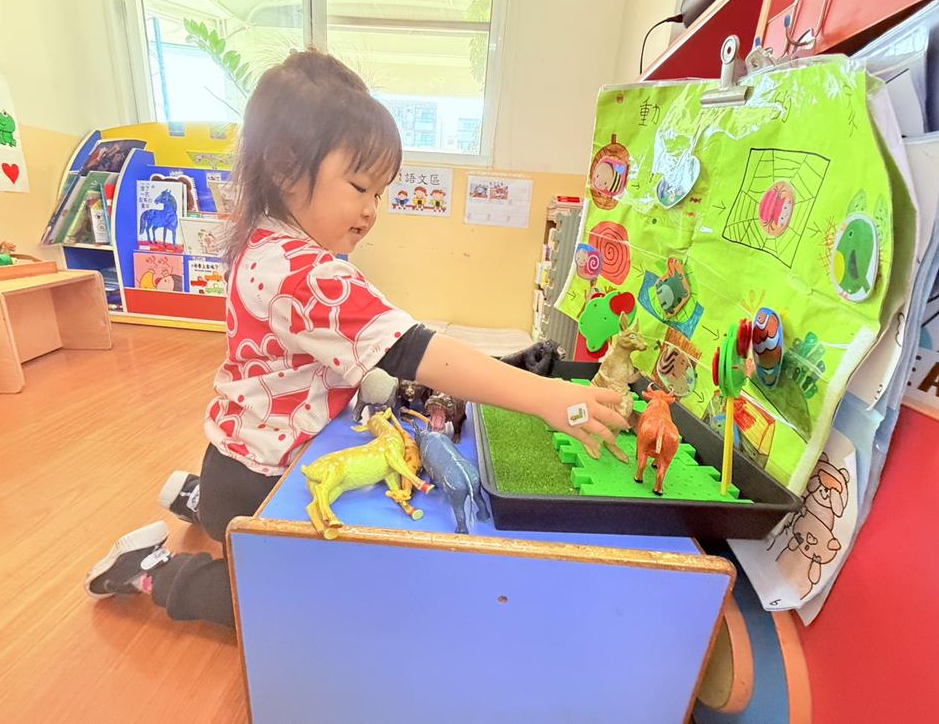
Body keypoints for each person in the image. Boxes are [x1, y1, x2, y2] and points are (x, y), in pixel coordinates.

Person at [84, 51, 625, 629]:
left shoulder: (270, 243)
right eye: (361, 187)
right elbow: (414, 349)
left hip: (239, 454)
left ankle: (202, 500)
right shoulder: (303, 271)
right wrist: (547, 398)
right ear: (285, 166)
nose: (371, 211)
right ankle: (154, 571)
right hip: (262, 478)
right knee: (297, 610)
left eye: (380, 194)